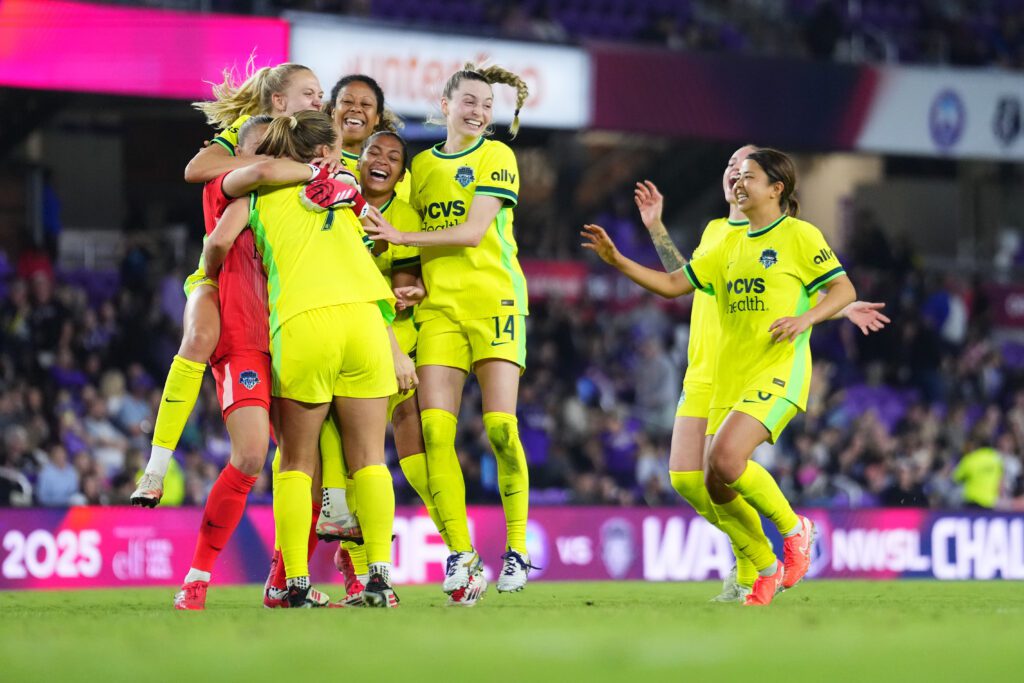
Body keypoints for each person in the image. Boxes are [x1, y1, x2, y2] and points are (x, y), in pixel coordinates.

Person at [583, 148, 856, 606]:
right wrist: (620, 260)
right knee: (702, 480)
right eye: (733, 169)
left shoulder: (799, 236)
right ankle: (762, 566)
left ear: (777, 188)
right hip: (719, 372)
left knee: (725, 464)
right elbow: (675, 283)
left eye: (749, 172)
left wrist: (806, 319)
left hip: (774, 367)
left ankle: (794, 530)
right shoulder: (721, 239)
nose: (737, 177)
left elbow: (841, 287)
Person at [206, 111, 399, 608]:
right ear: (326, 152)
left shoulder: (259, 192)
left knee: (294, 460)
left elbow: (219, 241)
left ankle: (293, 582)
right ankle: (378, 578)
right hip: (364, 321)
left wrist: (211, 280)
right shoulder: (345, 187)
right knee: (370, 460)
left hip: (302, 324)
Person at [170, 116, 360, 610]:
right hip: (249, 340)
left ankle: (284, 579)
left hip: (297, 337)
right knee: (253, 454)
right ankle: (197, 576)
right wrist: (209, 283)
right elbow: (214, 237)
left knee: (309, 465)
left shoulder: (321, 193)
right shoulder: (243, 189)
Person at [365, 63, 533, 603]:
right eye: (469, 101)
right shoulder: (420, 167)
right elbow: (404, 240)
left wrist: (399, 232)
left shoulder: (497, 156)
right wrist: (402, 280)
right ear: (444, 105)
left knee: (501, 429)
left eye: (487, 104)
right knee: (436, 432)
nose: (479, 111)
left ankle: (518, 550)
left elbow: (472, 231)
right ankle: (462, 556)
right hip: (440, 313)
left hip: (495, 303)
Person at [132, 62, 324, 506]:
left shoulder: (314, 140)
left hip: (282, 294)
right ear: (279, 102)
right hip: (221, 279)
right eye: (310, 94)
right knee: (199, 336)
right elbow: (200, 168)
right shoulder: (251, 133)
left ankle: (323, 539)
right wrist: (295, 167)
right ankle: (155, 468)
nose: (320, 101)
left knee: (302, 444)